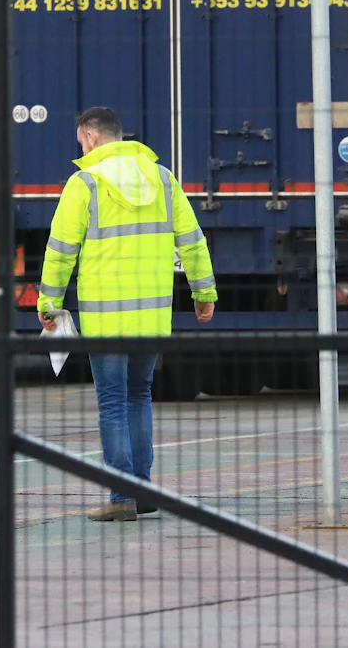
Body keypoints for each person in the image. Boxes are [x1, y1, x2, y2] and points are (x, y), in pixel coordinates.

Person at [37, 106, 217, 521]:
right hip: (151, 317)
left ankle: (121, 498)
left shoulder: (84, 183)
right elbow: (192, 240)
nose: (80, 147)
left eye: (81, 140)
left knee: (113, 402)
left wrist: (48, 303)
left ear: (92, 137)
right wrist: (203, 291)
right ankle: (142, 489)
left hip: (106, 320)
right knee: (140, 396)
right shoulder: (163, 178)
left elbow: (60, 250)